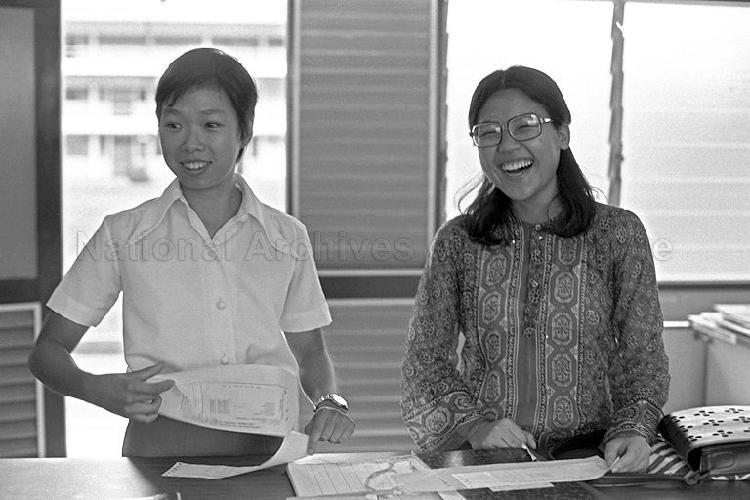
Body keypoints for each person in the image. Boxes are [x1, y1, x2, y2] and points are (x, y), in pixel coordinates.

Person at [28, 48, 354, 456]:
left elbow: (310, 352)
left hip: (269, 449)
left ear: (244, 132)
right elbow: (47, 352)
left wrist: (329, 401)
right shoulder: (123, 234)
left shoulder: (287, 237)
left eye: (211, 124)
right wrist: (94, 388)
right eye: (174, 125)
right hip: (158, 449)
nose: (190, 143)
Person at [401, 65, 669, 473]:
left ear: (562, 133)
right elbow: (424, 360)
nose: (507, 146)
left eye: (525, 126)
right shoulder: (459, 242)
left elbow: (642, 358)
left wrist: (633, 429)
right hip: (485, 464)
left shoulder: (618, 234)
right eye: (489, 132)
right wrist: (476, 427)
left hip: (588, 461)